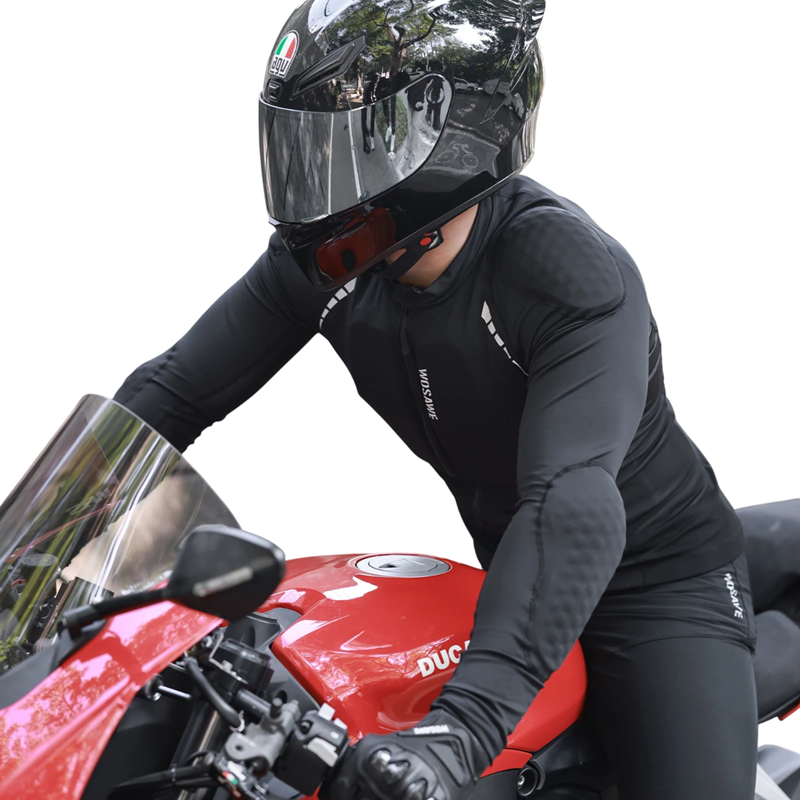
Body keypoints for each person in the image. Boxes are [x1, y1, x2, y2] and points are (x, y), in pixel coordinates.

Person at [114, 1, 759, 799]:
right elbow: (170, 394)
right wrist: (37, 576)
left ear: (449, 142)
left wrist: (462, 734)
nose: (310, 180)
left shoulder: (567, 272)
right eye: (299, 146)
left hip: (656, 587)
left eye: (339, 149)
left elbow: (569, 502)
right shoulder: (327, 266)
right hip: (515, 573)